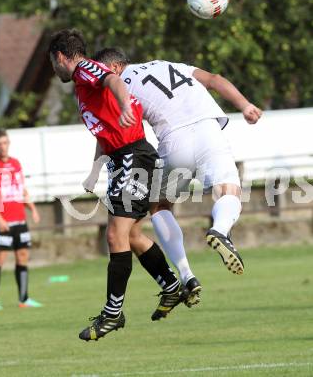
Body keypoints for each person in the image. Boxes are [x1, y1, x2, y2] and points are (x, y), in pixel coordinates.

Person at [48, 29, 190, 342]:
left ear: (60, 56)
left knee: (115, 235)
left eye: (52, 63)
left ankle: (113, 313)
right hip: (123, 158)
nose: (54, 70)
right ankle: (170, 285)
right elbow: (104, 132)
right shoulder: (82, 87)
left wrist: (126, 104)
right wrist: (95, 170)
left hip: (133, 157)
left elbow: (113, 80)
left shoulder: (84, 69)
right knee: (133, 234)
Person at [85, 48, 262, 283]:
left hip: (174, 140)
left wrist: (95, 171)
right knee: (228, 191)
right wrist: (245, 105)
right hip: (209, 130)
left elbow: (110, 133)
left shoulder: (117, 86)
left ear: (115, 67)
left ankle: (186, 274)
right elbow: (214, 80)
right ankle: (220, 229)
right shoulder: (167, 63)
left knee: (159, 206)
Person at [0, 129, 42, 311]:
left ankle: (24, 299)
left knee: (23, 256)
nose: (3, 146)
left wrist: (32, 209)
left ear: (8, 143)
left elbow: (22, 189)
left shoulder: (16, 163)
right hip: (2, 220)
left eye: (5, 142)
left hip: (20, 217)